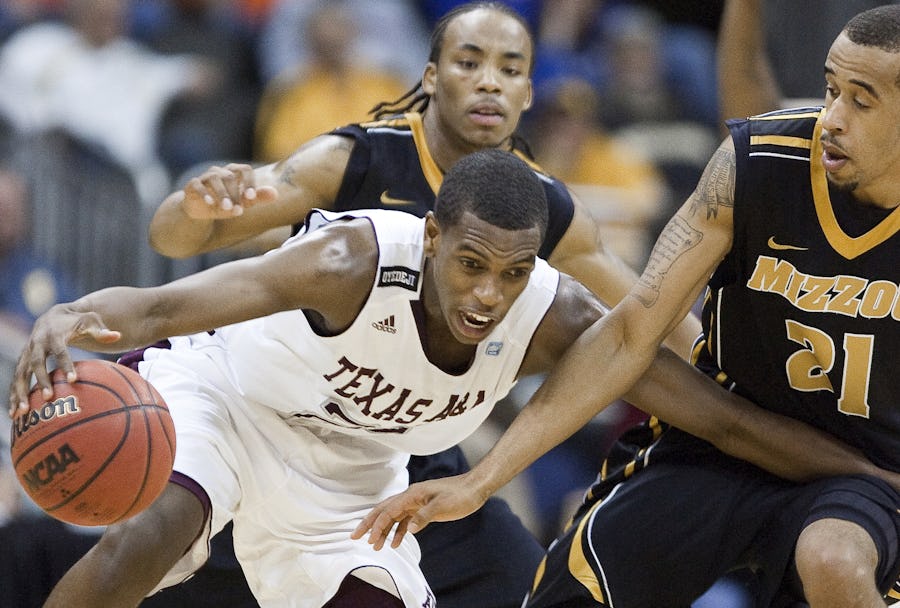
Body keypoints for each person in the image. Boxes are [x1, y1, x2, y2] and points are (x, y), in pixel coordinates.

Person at [6, 147, 873, 608]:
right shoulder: (347, 261)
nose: (489, 295)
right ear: (430, 238)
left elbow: (723, 421)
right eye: (470, 265)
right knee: (152, 534)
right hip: (230, 399)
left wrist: (873, 478)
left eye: (513, 272)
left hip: (351, 476)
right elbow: (162, 307)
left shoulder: (554, 318)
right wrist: (71, 317)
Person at [147, 3, 702, 606]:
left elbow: (648, 312)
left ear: (527, 93)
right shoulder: (356, 160)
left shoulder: (539, 208)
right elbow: (177, 238)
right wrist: (196, 208)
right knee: (167, 574)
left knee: (516, 581)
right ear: (432, 76)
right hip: (278, 413)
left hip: (404, 439)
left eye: (510, 69)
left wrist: (719, 367)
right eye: (470, 63)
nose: (489, 82)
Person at [354, 5, 900, 607]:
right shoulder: (757, 161)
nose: (831, 118)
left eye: (861, 101)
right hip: (718, 447)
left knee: (835, 561)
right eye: (830, 90)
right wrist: (481, 482)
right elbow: (628, 332)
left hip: (867, 474)